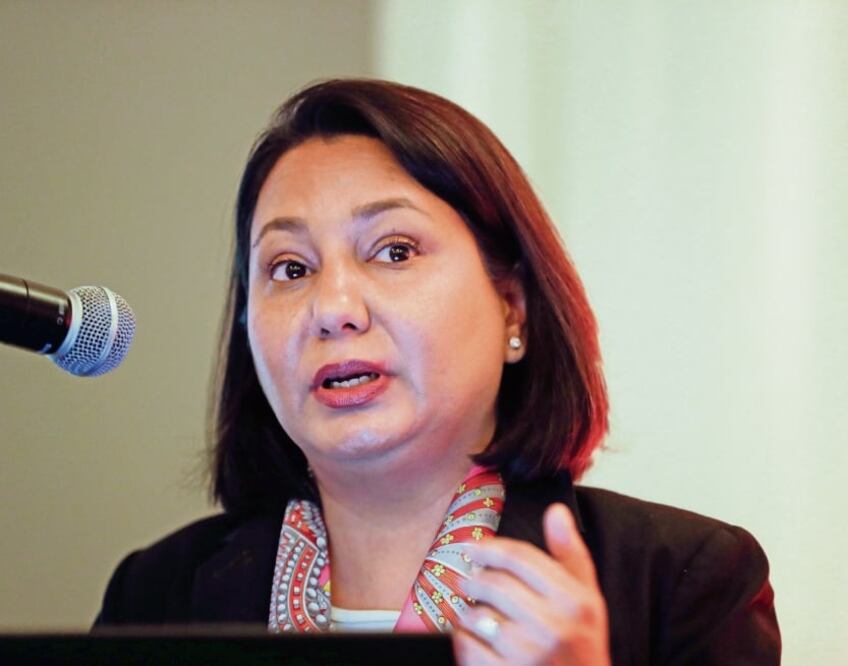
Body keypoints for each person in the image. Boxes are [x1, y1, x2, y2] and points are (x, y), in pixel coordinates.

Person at [94, 79, 780, 664]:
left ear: (512, 307)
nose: (332, 309)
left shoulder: (683, 581)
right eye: (290, 269)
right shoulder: (155, 594)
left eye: (393, 251)